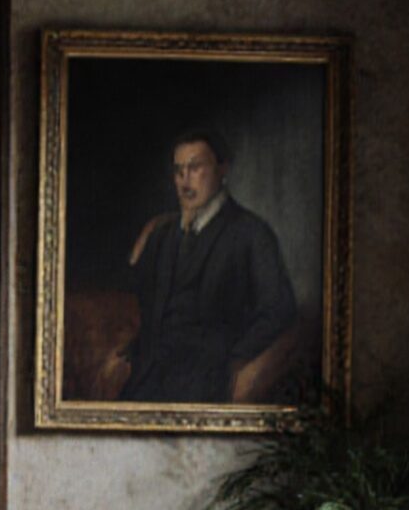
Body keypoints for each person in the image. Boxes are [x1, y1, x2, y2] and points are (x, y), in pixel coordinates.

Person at [98, 130, 300, 404]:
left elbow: (279, 309)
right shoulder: (162, 235)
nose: (184, 181)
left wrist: (235, 356)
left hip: (208, 381)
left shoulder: (251, 233)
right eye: (179, 171)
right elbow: (144, 303)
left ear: (222, 169)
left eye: (195, 168)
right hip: (148, 377)